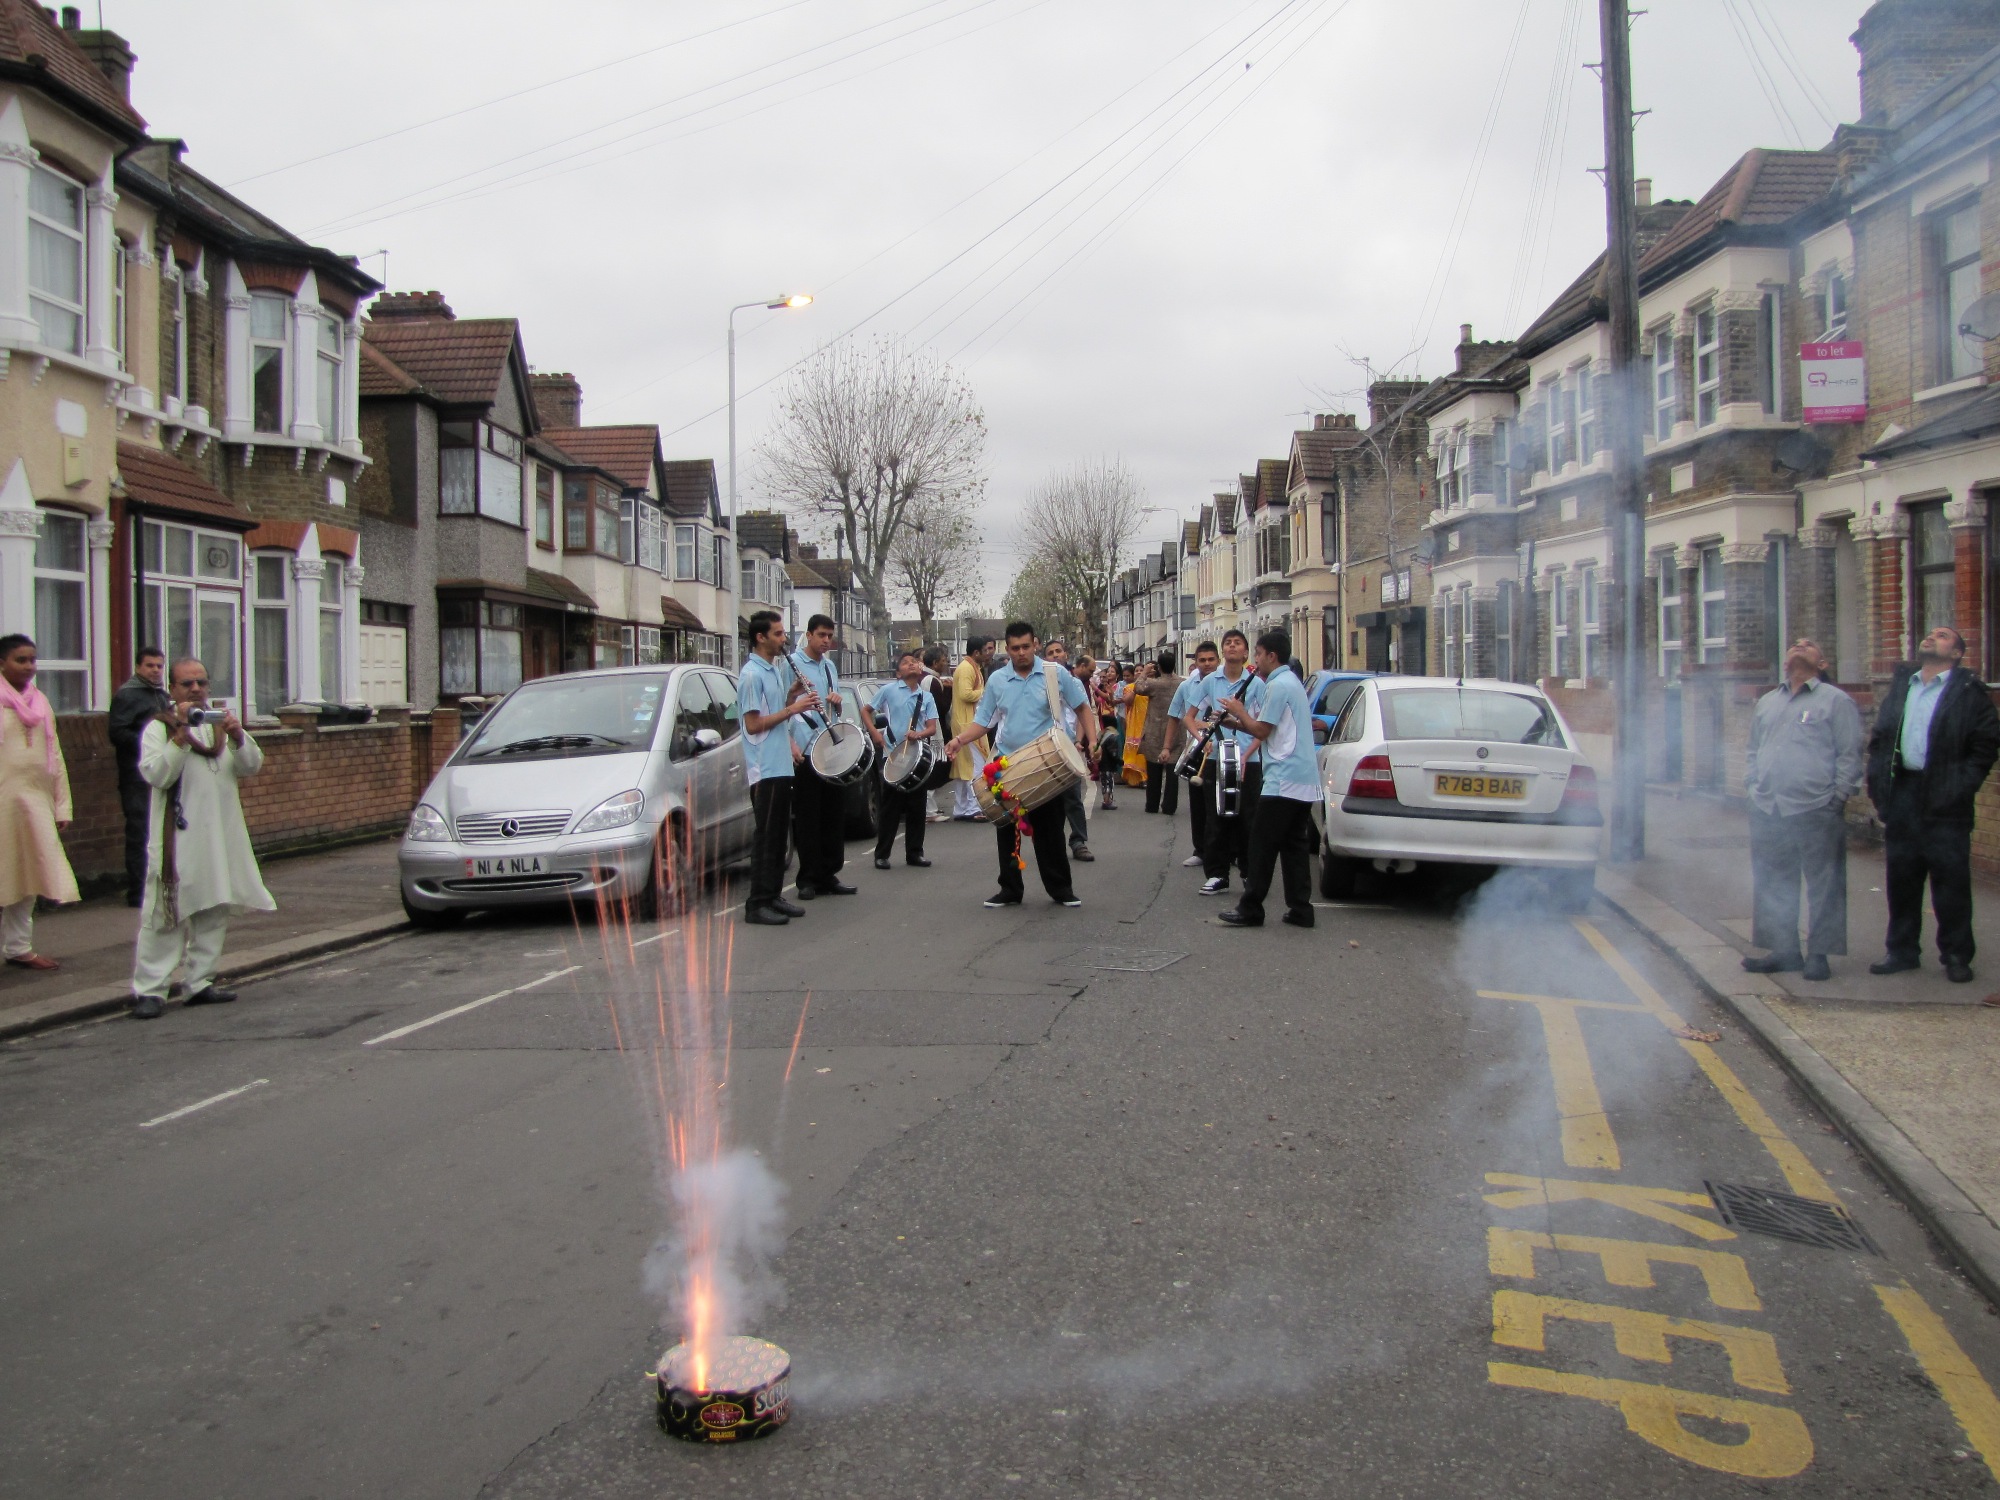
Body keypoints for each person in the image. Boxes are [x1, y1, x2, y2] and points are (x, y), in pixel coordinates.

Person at [129, 657, 274, 1019]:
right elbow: (157, 775)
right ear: (172, 690)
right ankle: (151, 990)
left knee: (213, 908)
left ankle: (200, 983)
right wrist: (179, 737)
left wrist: (240, 736)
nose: (195, 689)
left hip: (220, 838)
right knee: (166, 914)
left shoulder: (218, 726)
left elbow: (251, 766)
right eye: (186, 684)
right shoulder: (159, 729)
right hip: (179, 840)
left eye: (201, 683)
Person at [1864, 624, 2000, 983]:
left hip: (1946, 799)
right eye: (1930, 634)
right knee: (1902, 879)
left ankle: (1956, 954)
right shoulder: (1903, 687)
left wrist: (1959, 786)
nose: (1931, 638)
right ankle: (1902, 951)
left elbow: (1985, 745)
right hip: (1904, 791)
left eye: (1942, 636)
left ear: (1956, 654)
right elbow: (1880, 739)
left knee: (1950, 883)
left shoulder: (1969, 693)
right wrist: (1880, 788)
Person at [941, 621, 1098, 909]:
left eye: (1026, 646)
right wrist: (959, 740)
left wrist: (1093, 741)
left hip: (1046, 763)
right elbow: (983, 721)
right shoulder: (998, 680)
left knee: (1049, 830)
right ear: (1007, 649)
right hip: (1007, 765)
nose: (1021, 652)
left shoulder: (1055, 674)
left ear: (1035, 644)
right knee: (1007, 830)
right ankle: (1010, 890)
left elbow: (1082, 707)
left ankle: (1061, 889)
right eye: (1015, 648)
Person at [1741, 640, 1863, 982]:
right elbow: (1753, 749)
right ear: (1784, 661)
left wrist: (1837, 798)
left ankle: (1819, 954)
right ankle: (1784, 951)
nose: (1800, 646)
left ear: (1822, 662)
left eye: (1809, 646)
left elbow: (1849, 754)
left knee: (1824, 884)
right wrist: (1752, 786)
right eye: (1795, 644)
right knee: (1773, 882)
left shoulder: (1836, 701)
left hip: (1815, 806)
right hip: (1768, 805)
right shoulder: (1767, 701)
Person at [1216, 630, 1321, 929]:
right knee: (1294, 845)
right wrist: (1233, 722)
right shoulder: (1292, 682)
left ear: (1271, 656)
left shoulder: (1278, 685)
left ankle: (1251, 908)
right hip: (1302, 777)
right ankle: (1301, 909)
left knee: (1261, 844)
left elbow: (1262, 730)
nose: (1256, 660)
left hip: (1283, 777)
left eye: (1258, 654)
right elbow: (1269, 729)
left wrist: (1238, 710)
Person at [0, 635, 77, 972]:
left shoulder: (41, 702)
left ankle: (18, 948)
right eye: (21, 660)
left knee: (26, 874)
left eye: (33, 659)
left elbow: (55, 757)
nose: (29, 666)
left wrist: (62, 806)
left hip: (34, 800)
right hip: (3, 799)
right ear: (2, 663)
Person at [737, 610, 815, 926]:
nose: (784, 640)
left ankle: (772, 895)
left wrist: (791, 696)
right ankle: (756, 903)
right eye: (779, 634)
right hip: (764, 769)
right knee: (766, 838)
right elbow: (754, 724)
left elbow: (774, 709)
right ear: (761, 637)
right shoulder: (751, 675)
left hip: (780, 764)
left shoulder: (771, 669)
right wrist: (793, 709)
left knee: (779, 836)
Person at [789, 614, 856, 899]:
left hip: (829, 749)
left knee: (832, 814)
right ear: (809, 635)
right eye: (821, 635)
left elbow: (834, 710)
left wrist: (837, 703)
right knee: (808, 817)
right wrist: (789, 741)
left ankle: (829, 874)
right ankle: (807, 878)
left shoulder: (829, 666)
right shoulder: (791, 664)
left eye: (830, 636)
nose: (826, 641)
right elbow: (783, 704)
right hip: (805, 750)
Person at [1198, 629, 1264, 895]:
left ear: (1246, 652)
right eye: (1228, 643)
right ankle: (1217, 874)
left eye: (1238, 643)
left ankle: (1250, 873)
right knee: (1216, 817)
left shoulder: (1257, 684)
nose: (1233, 647)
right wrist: (1203, 736)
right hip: (1217, 757)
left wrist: (1248, 755)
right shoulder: (1210, 682)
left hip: (1249, 760)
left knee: (1248, 818)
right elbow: (1191, 716)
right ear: (1222, 651)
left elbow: (1263, 727)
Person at [108, 646, 172, 907]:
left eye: (159, 666)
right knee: (139, 828)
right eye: (150, 666)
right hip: (135, 772)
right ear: (138, 667)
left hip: (159, 768)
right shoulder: (128, 695)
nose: (155, 670)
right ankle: (137, 891)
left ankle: (157, 884)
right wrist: (149, 743)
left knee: (158, 827)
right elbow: (118, 733)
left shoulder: (162, 695)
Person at [871, 650, 941, 871]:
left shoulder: (926, 696)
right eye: (906, 662)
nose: (911, 664)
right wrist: (874, 732)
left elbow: (931, 726)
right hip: (892, 755)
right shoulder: (888, 690)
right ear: (898, 672)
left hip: (916, 757)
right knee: (890, 807)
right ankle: (882, 854)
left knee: (916, 806)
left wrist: (918, 735)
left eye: (914, 662)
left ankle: (915, 853)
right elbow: (867, 710)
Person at [1172, 641, 1219, 867]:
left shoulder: (1226, 682)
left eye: (1211, 659)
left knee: (1223, 803)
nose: (1207, 664)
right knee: (1199, 802)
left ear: (1217, 660)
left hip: (1225, 749)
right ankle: (1200, 850)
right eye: (1202, 660)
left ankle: (1229, 852)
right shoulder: (1188, 685)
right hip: (1198, 747)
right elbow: (1177, 715)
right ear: (1196, 663)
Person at [949, 636, 992, 820]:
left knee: (964, 767)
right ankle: (973, 808)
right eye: (986, 650)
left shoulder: (971, 666)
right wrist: (988, 692)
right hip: (967, 724)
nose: (989, 653)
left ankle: (962, 809)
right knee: (974, 766)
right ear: (976, 652)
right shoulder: (967, 668)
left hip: (966, 721)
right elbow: (966, 694)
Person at [1138, 651, 1185, 815]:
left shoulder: (1154, 684)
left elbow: (1138, 687)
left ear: (1159, 666)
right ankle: (1170, 805)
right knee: (1173, 772)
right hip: (1177, 731)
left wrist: (1144, 672)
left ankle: (1152, 804)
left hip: (1155, 731)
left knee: (1154, 770)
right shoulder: (1182, 683)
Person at [921, 645, 954, 823]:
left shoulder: (930, 679)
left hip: (931, 731)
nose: (945, 664)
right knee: (936, 769)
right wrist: (949, 690)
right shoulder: (931, 682)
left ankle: (930, 807)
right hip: (933, 733)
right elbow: (940, 708)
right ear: (934, 663)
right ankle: (928, 810)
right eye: (943, 661)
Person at [1091, 663, 1123, 809]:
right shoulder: (1110, 736)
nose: (1107, 675)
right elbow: (1100, 701)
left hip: (1110, 716)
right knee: (1108, 782)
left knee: (1106, 781)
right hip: (1108, 766)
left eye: (1111, 672)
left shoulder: (1116, 687)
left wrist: (1095, 688)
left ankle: (1107, 800)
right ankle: (1107, 801)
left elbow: (1110, 700)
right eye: (1106, 673)